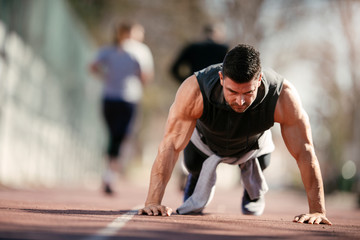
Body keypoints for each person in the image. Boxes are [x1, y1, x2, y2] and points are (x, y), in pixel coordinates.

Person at [138, 44, 332, 225]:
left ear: (259, 79)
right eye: (232, 91)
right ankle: (196, 179)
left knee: (265, 162)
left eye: (248, 92)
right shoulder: (195, 90)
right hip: (206, 143)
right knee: (192, 163)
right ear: (222, 78)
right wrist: (152, 202)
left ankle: (252, 191)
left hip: (253, 146)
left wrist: (317, 210)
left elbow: (304, 151)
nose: (240, 101)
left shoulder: (282, 96)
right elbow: (170, 144)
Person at [90, 21, 154, 194]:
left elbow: (92, 67)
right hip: (128, 98)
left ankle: (109, 173)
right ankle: (110, 174)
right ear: (130, 33)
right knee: (121, 136)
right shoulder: (140, 51)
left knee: (114, 136)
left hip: (109, 97)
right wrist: (136, 81)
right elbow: (146, 75)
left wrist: (107, 77)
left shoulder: (108, 50)